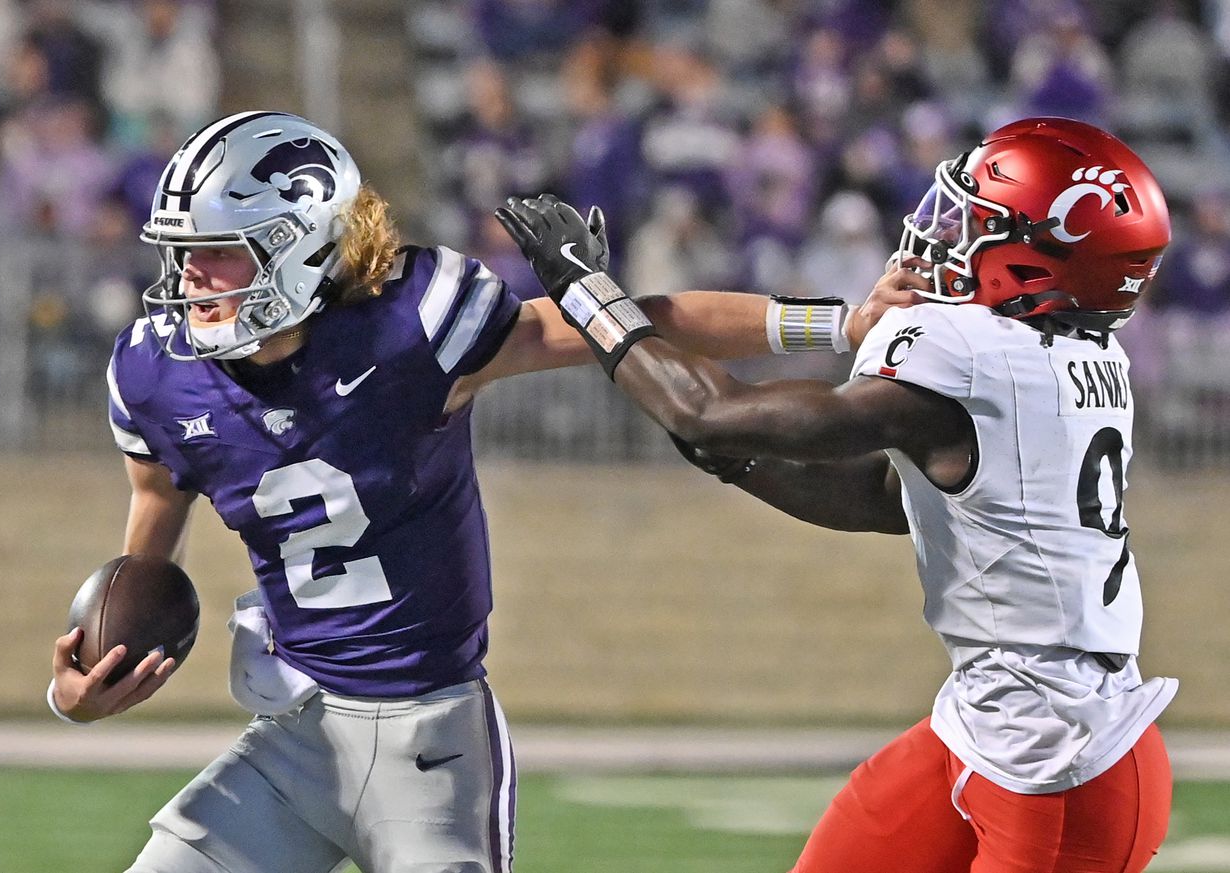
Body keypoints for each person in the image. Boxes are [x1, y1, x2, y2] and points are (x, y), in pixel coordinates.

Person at [44, 110, 911, 873]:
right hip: (297, 737)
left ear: (299, 242)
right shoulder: (157, 376)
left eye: (216, 254)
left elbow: (640, 318)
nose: (190, 279)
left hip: (434, 746)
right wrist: (86, 680)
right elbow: (147, 548)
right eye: (183, 256)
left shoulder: (416, 324)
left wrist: (837, 322)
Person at [498, 116, 1179, 873]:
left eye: (977, 224)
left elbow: (707, 409)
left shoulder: (981, 355)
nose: (943, 237)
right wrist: (738, 462)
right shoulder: (1085, 355)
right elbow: (890, 496)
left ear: (1039, 259)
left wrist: (589, 293)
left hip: (1059, 765)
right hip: (996, 719)